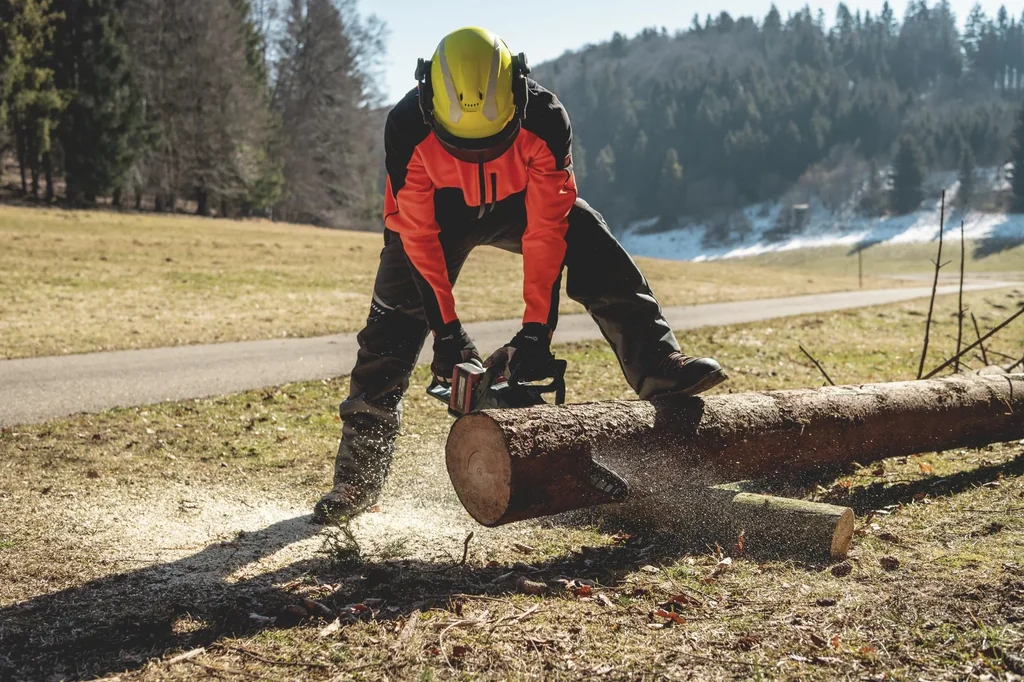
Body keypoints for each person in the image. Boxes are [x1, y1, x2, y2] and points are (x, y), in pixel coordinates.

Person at [313, 26, 727, 523]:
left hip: (519, 202)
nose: (478, 156)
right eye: (464, 147)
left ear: (517, 93)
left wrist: (536, 332)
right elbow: (417, 235)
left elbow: (548, 228)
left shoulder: (546, 116)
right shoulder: (407, 125)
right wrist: (447, 335)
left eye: (493, 143)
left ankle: (657, 363)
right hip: (439, 216)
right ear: (429, 102)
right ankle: (357, 481)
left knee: (586, 231)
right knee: (392, 324)